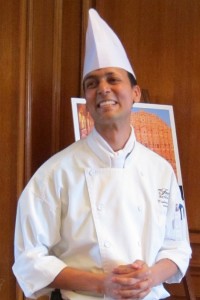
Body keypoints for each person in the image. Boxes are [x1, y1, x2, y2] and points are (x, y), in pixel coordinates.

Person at [13, 8, 191, 300]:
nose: (103, 89)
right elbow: (29, 259)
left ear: (135, 93)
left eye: (112, 79)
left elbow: (177, 247)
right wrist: (102, 284)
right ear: (86, 99)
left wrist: (147, 278)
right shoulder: (55, 173)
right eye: (92, 83)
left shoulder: (161, 170)